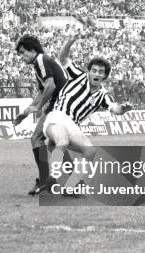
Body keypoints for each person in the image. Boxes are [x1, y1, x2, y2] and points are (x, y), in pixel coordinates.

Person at [43, 35, 133, 187]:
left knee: (90, 151)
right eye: (94, 70)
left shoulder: (103, 95)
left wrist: (123, 109)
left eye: (100, 72)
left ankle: (71, 186)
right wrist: (71, 40)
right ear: (89, 71)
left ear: (104, 76)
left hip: (73, 126)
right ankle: (53, 177)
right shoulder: (78, 75)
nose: (97, 74)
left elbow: (115, 109)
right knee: (62, 140)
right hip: (57, 117)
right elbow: (63, 58)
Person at [13, 34, 71, 196]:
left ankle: (46, 180)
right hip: (63, 104)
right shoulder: (40, 63)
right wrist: (26, 112)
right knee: (53, 143)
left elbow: (50, 87)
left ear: (33, 50)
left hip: (59, 104)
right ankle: (75, 182)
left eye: (23, 53)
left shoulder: (41, 60)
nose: (22, 57)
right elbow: (41, 91)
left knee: (37, 138)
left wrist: (38, 107)